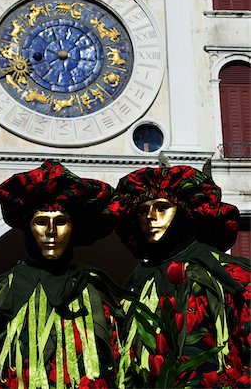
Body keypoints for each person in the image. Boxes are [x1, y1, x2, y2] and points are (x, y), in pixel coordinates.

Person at [0, 160, 123, 388]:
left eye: (61, 222)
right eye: (41, 222)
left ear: (73, 228)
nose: (51, 232)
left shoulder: (95, 293)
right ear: (28, 228)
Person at [107, 165, 250, 388]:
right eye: (143, 212)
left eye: (162, 208)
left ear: (184, 212)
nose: (151, 217)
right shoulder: (134, 286)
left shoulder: (228, 275)